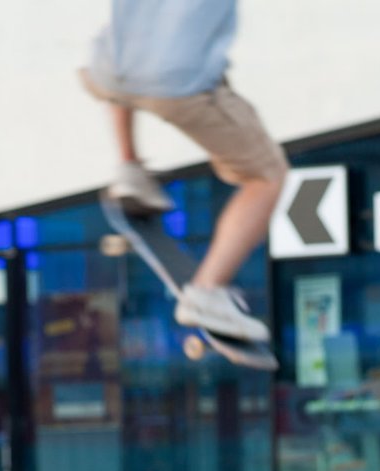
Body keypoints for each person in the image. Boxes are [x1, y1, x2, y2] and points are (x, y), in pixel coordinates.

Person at [79, 0, 286, 345]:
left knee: (122, 66)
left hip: (107, 68)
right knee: (267, 175)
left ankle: (128, 167)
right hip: (177, 80)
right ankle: (207, 293)